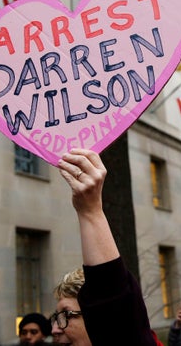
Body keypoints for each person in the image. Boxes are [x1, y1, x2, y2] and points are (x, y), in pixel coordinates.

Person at [53, 148, 159, 345]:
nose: (55, 329)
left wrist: (90, 212)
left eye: (67, 315)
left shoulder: (114, 321)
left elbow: (110, 299)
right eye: (57, 316)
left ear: (96, 316)